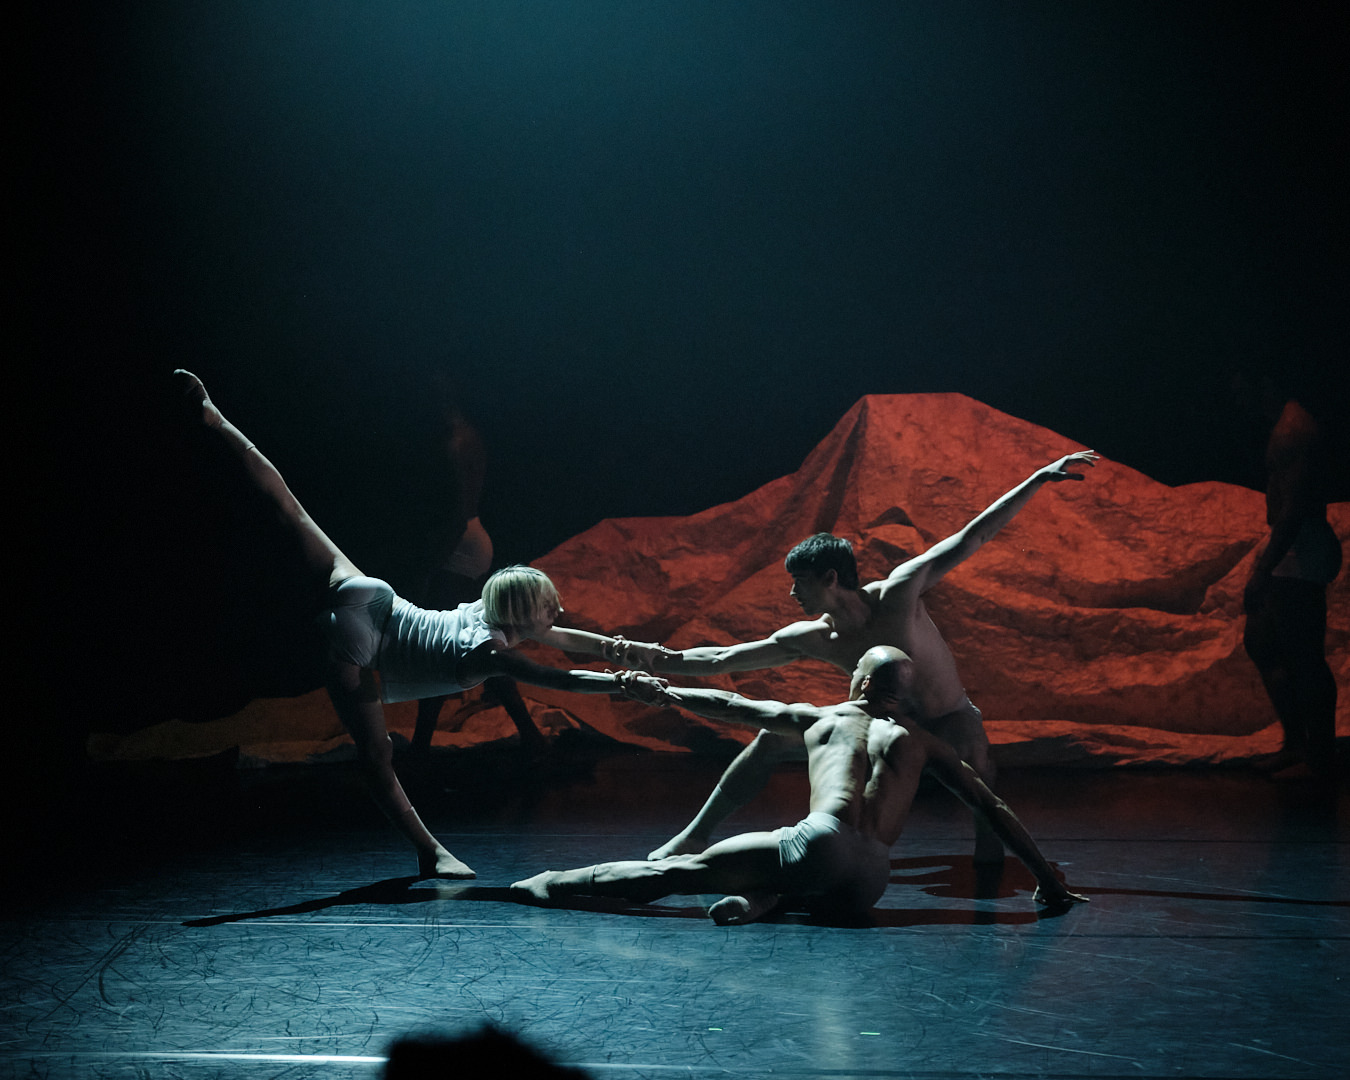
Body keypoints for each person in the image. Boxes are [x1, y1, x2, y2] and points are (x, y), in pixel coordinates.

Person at [174, 371, 640, 878]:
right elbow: (558, 677)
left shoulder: (492, 613)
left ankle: (216, 419)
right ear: (525, 616)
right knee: (376, 756)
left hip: (377, 597)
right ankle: (431, 852)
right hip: (360, 640)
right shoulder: (490, 651)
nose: (559, 614)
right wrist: (622, 683)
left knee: (292, 511)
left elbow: (563, 640)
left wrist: (626, 653)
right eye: (550, 608)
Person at [619, 451, 1099, 862]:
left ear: (830, 579)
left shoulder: (900, 592)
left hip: (947, 718)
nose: (791, 595)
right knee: (769, 740)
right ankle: (695, 835)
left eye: (799, 584)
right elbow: (722, 659)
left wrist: (1037, 479)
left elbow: (972, 537)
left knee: (975, 760)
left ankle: (991, 857)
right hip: (877, 724)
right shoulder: (812, 636)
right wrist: (651, 659)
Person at [511, 647, 1087, 925]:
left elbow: (733, 706)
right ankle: (764, 900)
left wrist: (662, 692)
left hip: (821, 844)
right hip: (872, 879)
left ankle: (549, 884)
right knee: (797, 884)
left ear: (857, 680)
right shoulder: (922, 743)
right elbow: (993, 805)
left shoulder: (823, 719)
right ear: (900, 694)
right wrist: (1048, 883)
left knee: (673, 875)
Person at [411, 398, 542, 757]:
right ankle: (530, 735)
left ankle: (420, 748)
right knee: (470, 644)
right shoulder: (470, 436)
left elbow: (455, 510)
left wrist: (433, 561)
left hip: (459, 543)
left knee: (445, 647)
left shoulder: (452, 443)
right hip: (470, 536)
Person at [1243, 397, 1342, 780]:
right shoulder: (1287, 426)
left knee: (1305, 659)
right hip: (1293, 547)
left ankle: (1318, 756)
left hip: (1301, 546)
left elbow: (1295, 507)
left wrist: (1265, 569)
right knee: (1262, 642)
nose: (1237, 389)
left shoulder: (1295, 431)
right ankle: (1298, 744)